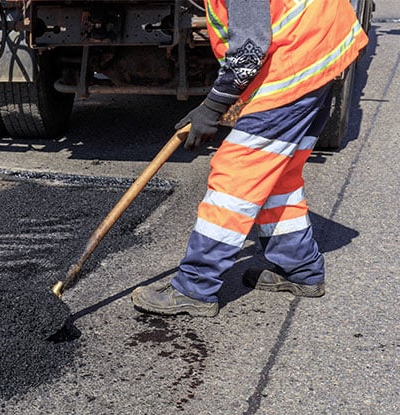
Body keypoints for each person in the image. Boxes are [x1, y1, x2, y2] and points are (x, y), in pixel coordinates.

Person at [131, 0, 369, 317]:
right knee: (278, 176)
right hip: (318, 49)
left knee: (236, 175)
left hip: (297, 63)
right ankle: (300, 269)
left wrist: (212, 108)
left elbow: (248, 54)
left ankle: (195, 287)